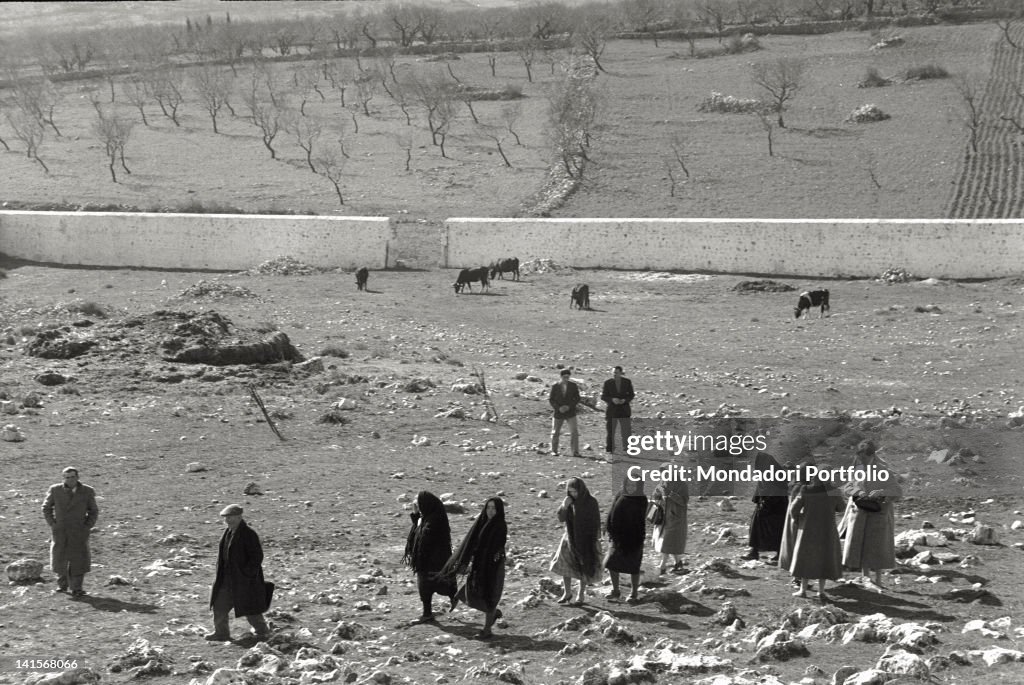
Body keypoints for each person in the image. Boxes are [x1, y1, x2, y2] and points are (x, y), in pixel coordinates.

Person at [439, 497, 507, 639]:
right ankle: (493, 614)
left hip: (493, 566)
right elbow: (472, 542)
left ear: (499, 509)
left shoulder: (500, 525)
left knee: (489, 594)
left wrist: (490, 563)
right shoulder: (482, 522)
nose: (490, 511)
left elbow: (496, 549)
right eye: (488, 507)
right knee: (476, 589)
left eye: (494, 508)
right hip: (480, 563)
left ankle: (487, 630)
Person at [839, 441, 902, 589]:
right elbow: (847, 487)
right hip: (860, 512)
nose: (862, 462)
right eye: (860, 459)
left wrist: (881, 492)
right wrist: (858, 492)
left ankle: (878, 580)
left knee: (877, 546)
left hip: (878, 513)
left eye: (865, 459)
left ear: (872, 456)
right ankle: (865, 577)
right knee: (861, 544)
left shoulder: (883, 471)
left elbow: (897, 491)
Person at [207, 504, 271, 642]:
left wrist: (247, 574)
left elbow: (256, 557)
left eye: (230, 517)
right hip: (226, 579)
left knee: (250, 608)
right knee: (219, 605)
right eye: (226, 518)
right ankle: (221, 633)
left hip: (244, 580)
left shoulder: (249, 534)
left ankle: (262, 632)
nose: (228, 520)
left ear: (239, 517)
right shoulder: (227, 533)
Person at [783, 464, 844, 602]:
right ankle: (821, 592)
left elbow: (793, 510)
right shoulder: (834, 491)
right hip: (827, 530)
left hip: (808, 530)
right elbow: (841, 508)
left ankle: (803, 590)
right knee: (824, 559)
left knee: (806, 558)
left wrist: (799, 521)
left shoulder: (806, 489)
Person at [42, 467, 99, 597]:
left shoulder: (87, 491)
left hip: (79, 530)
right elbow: (46, 507)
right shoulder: (55, 490)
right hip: (61, 530)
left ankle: (77, 588)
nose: (70, 480)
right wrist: (53, 524)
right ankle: (62, 586)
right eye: (67, 477)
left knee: (79, 559)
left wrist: (87, 526)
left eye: (73, 477)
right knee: (60, 557)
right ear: (63, 478)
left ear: (78, 477)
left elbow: (93, 510)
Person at [403, 491, 457, 623]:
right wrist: (416, 517)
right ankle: (427, 613)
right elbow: (418, 532)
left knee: (441, 585)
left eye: (420, 504)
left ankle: (460, 599)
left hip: (435, 562)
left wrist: (418, 520)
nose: (419, 507)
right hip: (428, 562)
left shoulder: (435, 520)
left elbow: (422, 536)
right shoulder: (430, 517)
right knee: (425, 588)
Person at [549, 477, 602, 605]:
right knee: (565, 564)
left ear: (581, 490)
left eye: (575, 491)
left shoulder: (591, 502)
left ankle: (581, 594)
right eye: (570, 492)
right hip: (570, 538)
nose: (573, 494)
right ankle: (567, 592)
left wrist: (593, 540)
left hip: (586, 540)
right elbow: (561, 519)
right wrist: (564, 506)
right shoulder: (569, 502)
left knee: (584, 566)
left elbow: (595, 522)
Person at [604, 478, 647, 603]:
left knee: (634, 566)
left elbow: (638, 519)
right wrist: (608, 527)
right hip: (617, 537)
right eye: (629, 484)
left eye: (634, 485)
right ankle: (615, 590)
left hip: (634, 537)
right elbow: (612, 511)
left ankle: (634, 594)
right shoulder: (621, 493)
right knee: (612, 563)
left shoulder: (641, 499)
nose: (631, 487)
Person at [742, 450, 790, 563]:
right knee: (755, 528)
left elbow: (778, 491)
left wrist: (766, 504)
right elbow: (761, 487)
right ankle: (754, 551)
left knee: (777, 531)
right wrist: (758, 500)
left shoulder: (776, 473)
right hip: (765, 505)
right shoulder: (765, 471)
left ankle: (779, 554)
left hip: (777, 508)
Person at [651, 467, 688, 574]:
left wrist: (670, 494)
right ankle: (678, 563)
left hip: (676, 518)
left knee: (666, 542)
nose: (665, 476)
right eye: (663, 474)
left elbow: (684, 501)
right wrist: (657, 496)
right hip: (663, 518)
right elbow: (655, 496)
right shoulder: (662, 483)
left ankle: (662, 566)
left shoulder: (682, 485)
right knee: (670, 542)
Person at [601, 366, 635, 454]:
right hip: (612, 410)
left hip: (624, 409)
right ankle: (610, 449)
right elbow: (603, 396)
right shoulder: (608, 383)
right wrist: (612, 399)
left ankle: (627, 448)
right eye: (613, 372)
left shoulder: (627, 382)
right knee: (611, 430)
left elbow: (631, 395)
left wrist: (624, 400)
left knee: (626, 430)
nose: (615, 374)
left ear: (620, 373)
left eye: (616, 372)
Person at [549, 369, 582, 457]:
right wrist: (558, 408)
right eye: (564, 377)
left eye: (568, 377)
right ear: (561, 377)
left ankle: (575, 452)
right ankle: (554, 450)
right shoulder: (555, 386)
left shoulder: (573, 386)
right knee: (555, 432)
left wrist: (569, 406)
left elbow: (577, 398)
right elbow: (551, 399)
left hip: (570, 412)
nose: (566, 379)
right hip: (558, 413)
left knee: (574, 432)